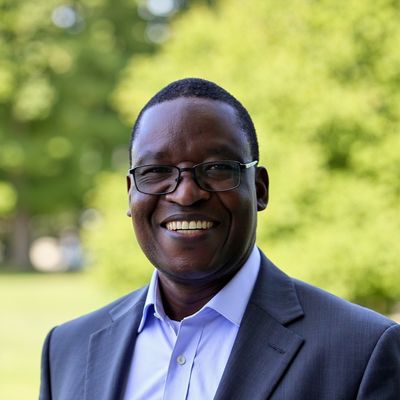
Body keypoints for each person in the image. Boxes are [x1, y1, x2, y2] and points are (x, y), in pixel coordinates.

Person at [40, 78, 400, 400]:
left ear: (259, 189)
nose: (185, 194)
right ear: (131, 194)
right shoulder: (66, 351)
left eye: (215, 169)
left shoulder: (362, 352)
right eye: (157, 171)